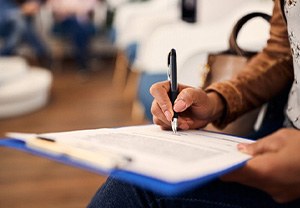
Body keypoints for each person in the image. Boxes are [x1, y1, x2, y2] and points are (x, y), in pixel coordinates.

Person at [88, 0, 300, 207]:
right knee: (141, 175)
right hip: (282, 137)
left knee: (135, 190)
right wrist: (216, 101)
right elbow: (281, 54)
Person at [47, 0, 97, 73]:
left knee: (81, 30)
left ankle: (82, 63)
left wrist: (72, 9)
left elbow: (91, 5)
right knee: (80, 29)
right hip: (62, 22)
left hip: (83, 22)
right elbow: (53, 6)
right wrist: (73, 10)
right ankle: (84, 63)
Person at [0, 0, 51, 66]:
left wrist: (34, 4)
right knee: (20, 23)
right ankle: (43, 53)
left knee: (21, 25)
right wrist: (21, 11)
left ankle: (4, 55)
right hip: (4, 27)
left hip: (20, 29)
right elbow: (3, 16)